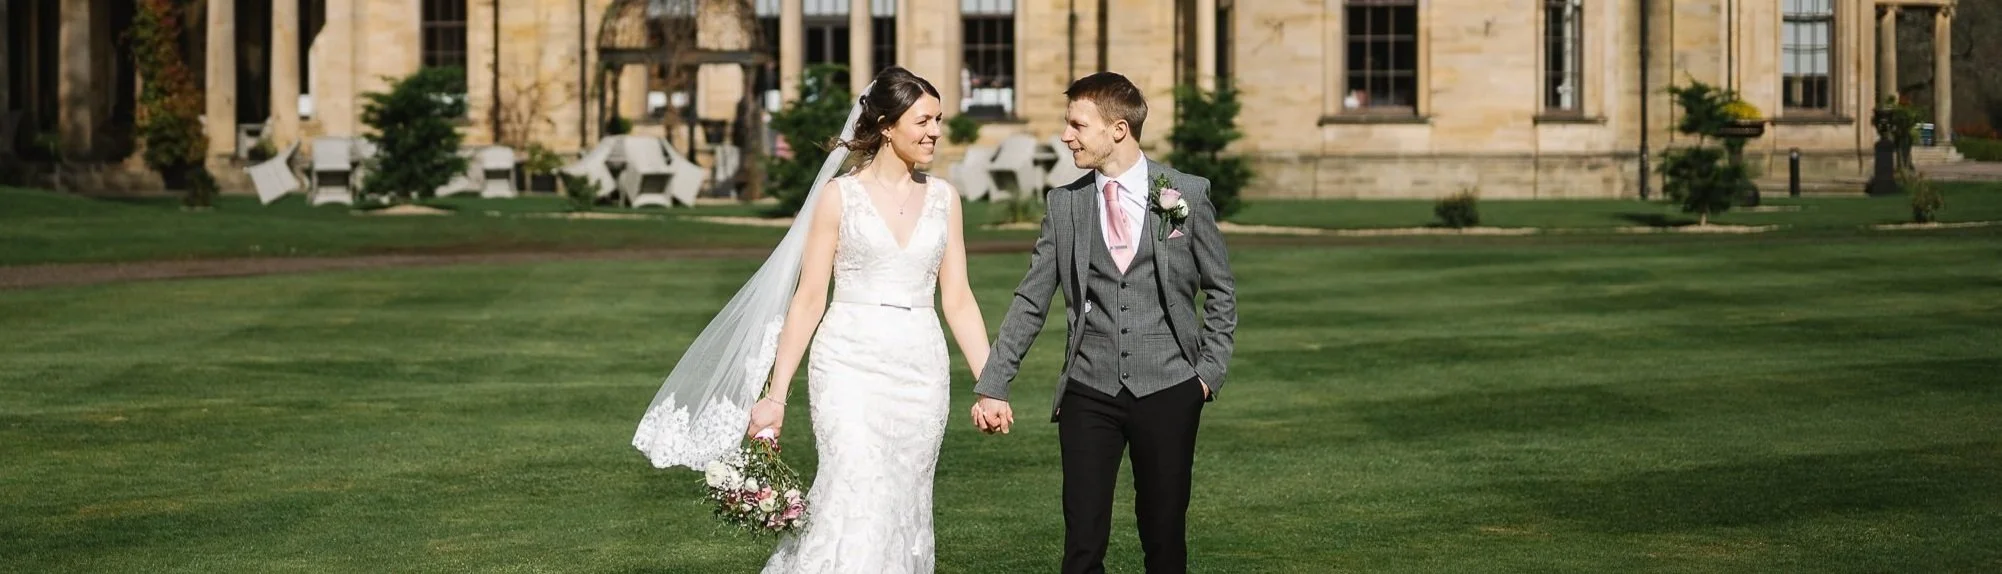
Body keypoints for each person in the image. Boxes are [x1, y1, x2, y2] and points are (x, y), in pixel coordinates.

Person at [630, 65, 989, 574]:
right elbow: (808, 298)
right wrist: (775, 397)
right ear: (887, 125)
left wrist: (989, 380)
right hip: (848, 363)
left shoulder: (944, 199)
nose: (935, 131)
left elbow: (958, 297)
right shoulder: (839, 197)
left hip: (920, 367)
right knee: (852, 488)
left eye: (938, 120)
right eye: (923, 120)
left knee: (905, 500)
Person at [971, 71, 1239, 574]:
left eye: (1077, 124)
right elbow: (1032, 299)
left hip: (1171, 388)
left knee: (1164, 539)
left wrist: (1207, 375)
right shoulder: (1065, 203)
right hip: (1088, 392)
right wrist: (994, 384)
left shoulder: (1185, 194)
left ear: (1118, 129)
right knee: (1083, 540)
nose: (1066, 135)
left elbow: (1220, 289)